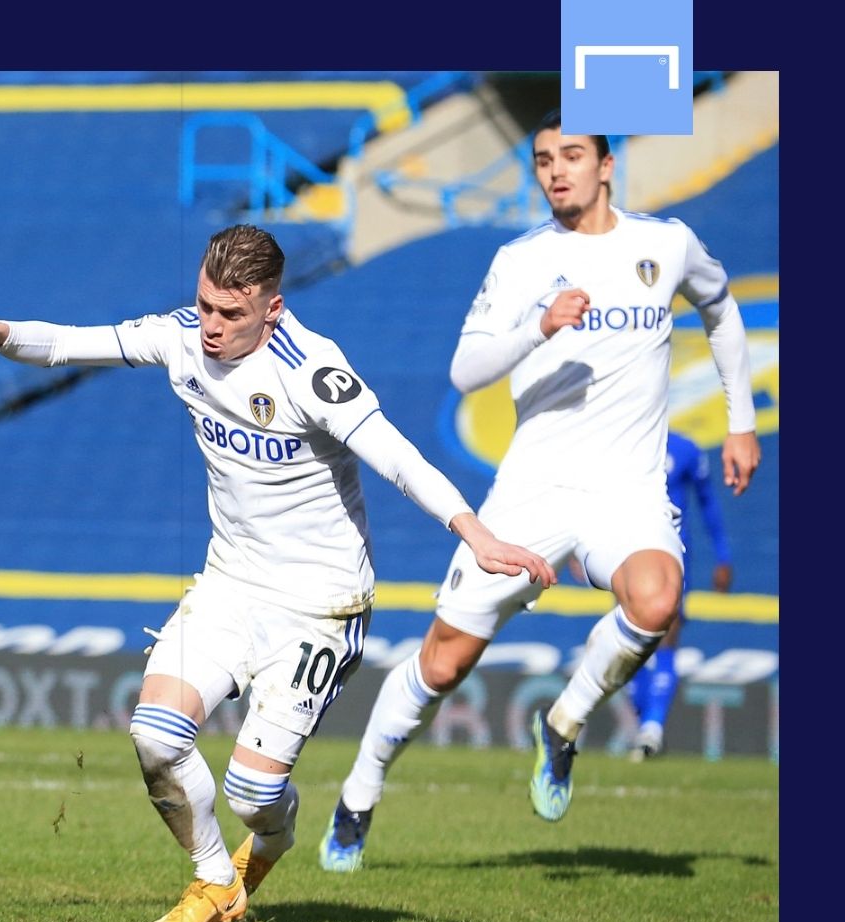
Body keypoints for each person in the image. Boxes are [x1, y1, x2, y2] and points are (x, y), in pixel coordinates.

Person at [0, 224, 552, 922]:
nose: (211, 327)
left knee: (254, 794)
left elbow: (397, 457)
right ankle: (215, 881)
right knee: (157, 737)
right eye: (205, 306)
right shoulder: (182, 335)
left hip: (321, 605)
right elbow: (72, 343)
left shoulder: (312, 372)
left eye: (231, 314)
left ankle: (270, 837)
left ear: (273, 308)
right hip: (231, 581)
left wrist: (475, 533)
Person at [319, 111, 760, 871]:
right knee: (444, 664)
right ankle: (358, 795)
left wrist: (742, 420)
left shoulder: (666, 244)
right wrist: (540, 330)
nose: (556, 170)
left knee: (658, 599)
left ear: (607, 164)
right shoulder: (521, 262)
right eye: (543, 159)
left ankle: (564, 723)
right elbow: (464, 371)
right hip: (533, 491)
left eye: (572, 156)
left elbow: (720, 311)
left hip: (627, 490)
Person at [626, 430, 735, 761]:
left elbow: (708, 502)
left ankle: (653, 728)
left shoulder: (686, 449)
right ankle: (647, 724)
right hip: (625, 552)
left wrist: (723, 555)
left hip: (674, 553)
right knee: (631, 641)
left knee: (666, 635)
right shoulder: (623, 441)